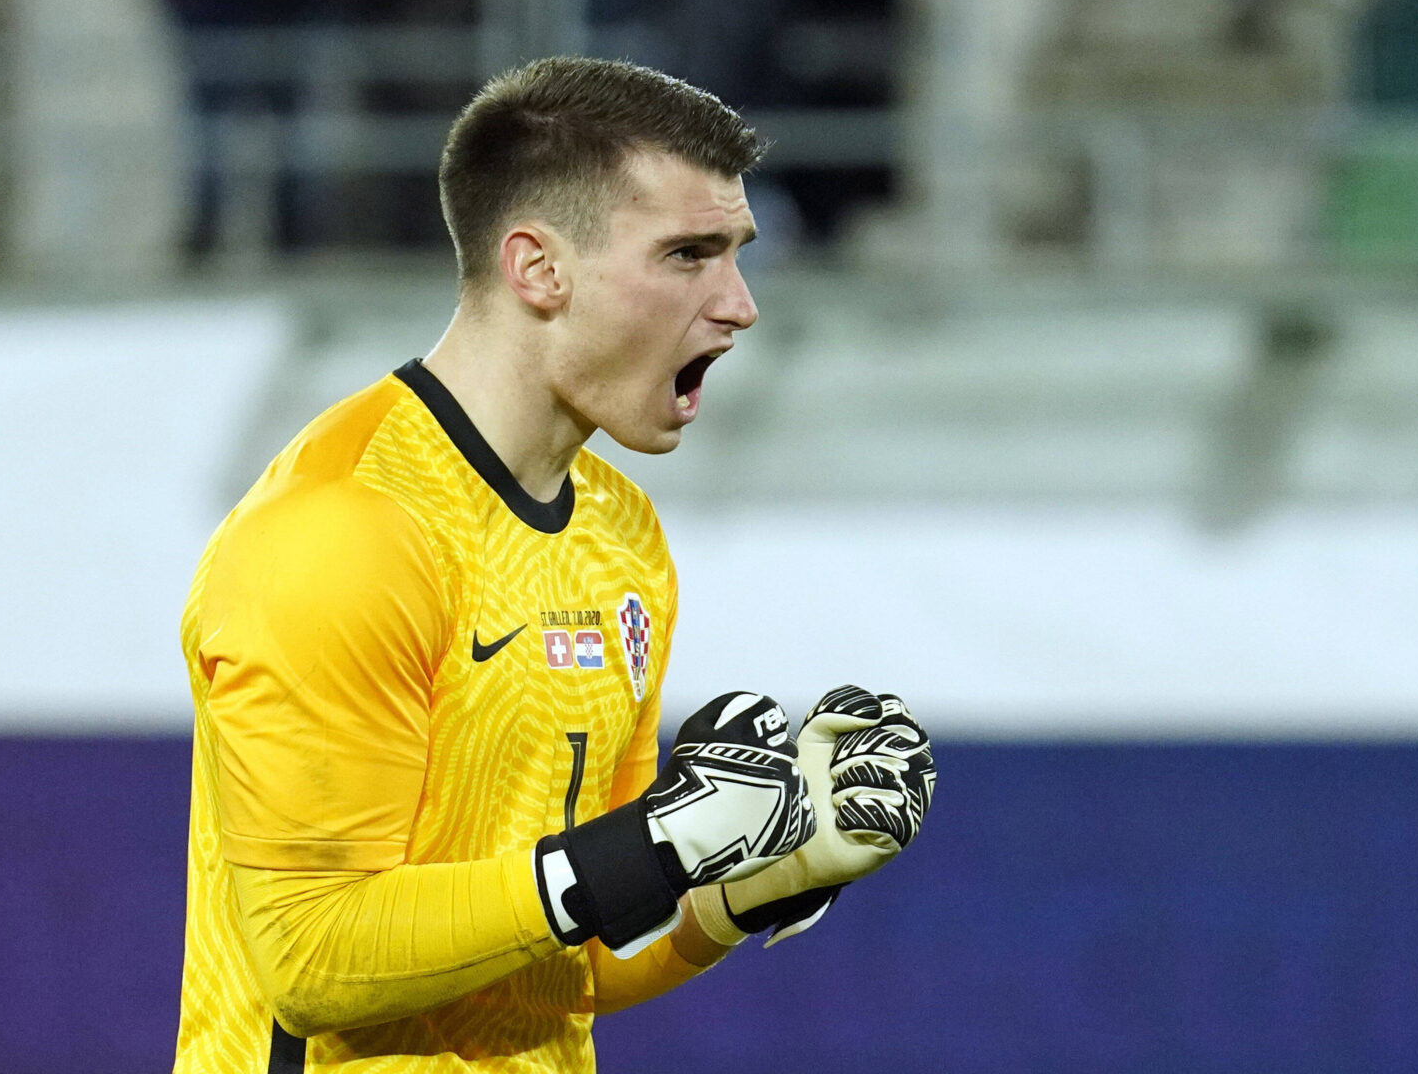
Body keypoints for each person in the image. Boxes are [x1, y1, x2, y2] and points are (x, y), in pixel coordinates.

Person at [172, 56, 936, 1074]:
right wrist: (653, 844)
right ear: (538, 270)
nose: (740, 305)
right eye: (688, 255)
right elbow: (313, 959)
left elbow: (571, 953)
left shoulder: (620, 533)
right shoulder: (341, 532)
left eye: (737, 254)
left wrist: (768, 872)